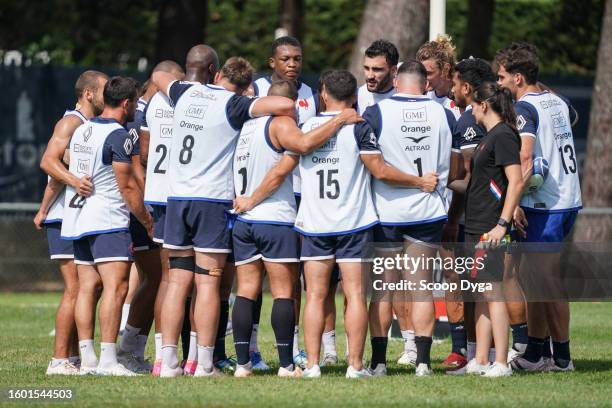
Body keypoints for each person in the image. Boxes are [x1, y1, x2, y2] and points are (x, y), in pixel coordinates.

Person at [152, 54, 296, 378]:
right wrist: (251, 100)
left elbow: (160, 75)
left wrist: (193, 86)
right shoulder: (235, 105)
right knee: (207, 285)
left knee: (176, 282)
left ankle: (169, 362)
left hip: (176, 199)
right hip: (211, 202)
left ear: (215, 74)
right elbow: (284, 107)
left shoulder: (184, 92)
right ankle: (204, 364)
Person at [298, 69, 438, 379]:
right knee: (356, 295)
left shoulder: (306, 127)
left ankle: (311, 365)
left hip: (315, 224)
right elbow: (381, 170)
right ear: (353, 98)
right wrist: (418, 181)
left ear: (323, 94)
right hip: (352, 223)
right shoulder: (359, 128)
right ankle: (356, 366)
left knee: (316, 296)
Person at [230, 79, 362, 378]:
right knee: (283, 293)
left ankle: (242, 365)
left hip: (243, 222)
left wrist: (245, 201)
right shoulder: (281, 124)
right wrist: (341, 118)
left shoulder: (246, 127)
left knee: (247, 291)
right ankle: (287, 365)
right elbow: (287, 163)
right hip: (273, 218)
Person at [366, 60, 461, 377]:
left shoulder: (378, 112)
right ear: (426, 84)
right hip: (429, 210)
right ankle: (422, 362)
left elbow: (370, 164)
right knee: (421, 287)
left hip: (387, 211)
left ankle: (378, 363)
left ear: (396, 78)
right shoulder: (443, 113)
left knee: (383, 288)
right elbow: (454, 164)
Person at [496, 43, 582, 372]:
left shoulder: (525, 109)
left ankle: (561, 358)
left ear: (518, 78)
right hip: (566, 199)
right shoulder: (555, 100)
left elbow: (526, 157)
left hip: (545, 204)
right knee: (534, 278)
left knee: (547, 280)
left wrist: (513, 203)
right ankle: (536, 352)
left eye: (503, 77)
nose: (499, 82)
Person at [60, 76, 153, 376]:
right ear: (126, 103)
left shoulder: (82, 130)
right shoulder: (120, 135)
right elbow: (126, 187)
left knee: (87, 287)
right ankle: (109, 360)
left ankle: (87, 358)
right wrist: (147, 221)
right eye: (134, 105)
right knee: (117, 287)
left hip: (79, 218)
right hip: (108, 220)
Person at [251, 35, 319, 369]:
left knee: (291, 280)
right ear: (272, 63)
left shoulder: (310, 94)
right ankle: (249, 348)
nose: (292, 64)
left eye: (297, 58)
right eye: (286, 59)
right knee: (248, 280)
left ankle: (290, 348)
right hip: (259, 194)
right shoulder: (257, 90)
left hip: (297, 193)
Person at [35, 70, 108, 375]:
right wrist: (74, 181)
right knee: (76, 289)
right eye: (105, 89)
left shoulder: (92, 126)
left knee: (91, 286)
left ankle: (76, 357)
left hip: (79, 215)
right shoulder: (71, 122)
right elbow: (48, 162)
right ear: (88, 93)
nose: (110, 94)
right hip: (64, 217)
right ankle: (58, 359)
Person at [463, 81, 523, 377]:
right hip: (475, 224)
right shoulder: (490, 137)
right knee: (481, 292)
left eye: (472, 105)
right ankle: (481, 360)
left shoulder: (503, 136)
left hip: (491, 225)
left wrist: (503, 223)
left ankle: (501, 362)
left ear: (483, 105)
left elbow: (516, 180)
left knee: (492, 291)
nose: (471, 111)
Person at [445, 57, 498, 372]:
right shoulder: (503, 116)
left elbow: (468, 176)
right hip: (496, 214)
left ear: (467, 87)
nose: (452, 88)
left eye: (455, 83)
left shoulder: (468, 122)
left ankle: (488, 357)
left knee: (482, 287)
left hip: (481, 219)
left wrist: (450, 209)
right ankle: (487, 355)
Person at [357, 39, 398, 114]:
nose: (370, 76)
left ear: (393, 70)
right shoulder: (356, 97)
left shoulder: (405, 96)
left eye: (376, 69)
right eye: (366, 68)